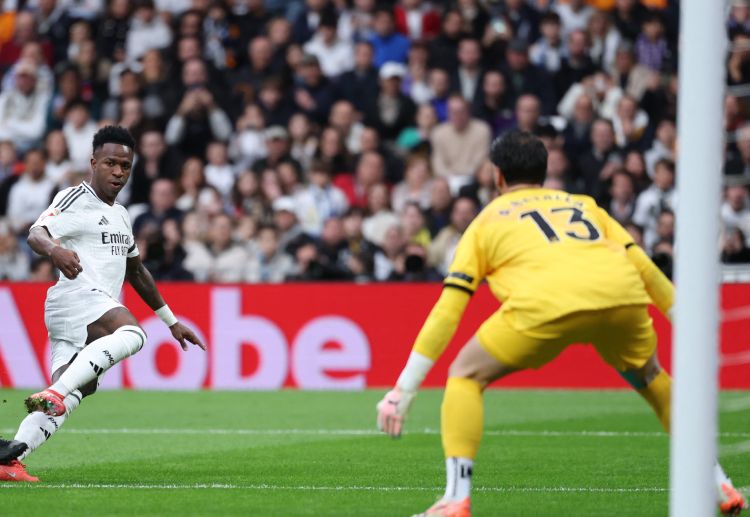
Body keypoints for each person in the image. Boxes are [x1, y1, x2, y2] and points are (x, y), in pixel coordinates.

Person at [375, 131, 747, 517]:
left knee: (465, 374)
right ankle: (717, 481)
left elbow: (449, 308)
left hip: (546, 305)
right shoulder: (586, 206)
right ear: (544, 170)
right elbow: (647, 270)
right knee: (652, 377)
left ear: (497, 175)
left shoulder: (485, 222)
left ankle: (455, 499)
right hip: (621, 297)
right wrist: (693, 328)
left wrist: (403, 390)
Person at [0, 127, 204, 482]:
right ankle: (55, 392)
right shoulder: (74, 198)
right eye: (110, 163)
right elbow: (36, 233)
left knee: (81, 387)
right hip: (75, 298)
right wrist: (55, 250)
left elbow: (136, 271)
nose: (118, 172)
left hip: (91, 307)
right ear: (93, 162)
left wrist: (171, 321)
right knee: (133, 334)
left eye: (125, 165)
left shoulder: (122, 215)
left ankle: (9, 459)